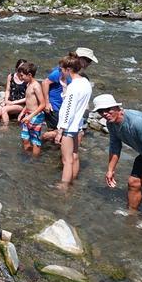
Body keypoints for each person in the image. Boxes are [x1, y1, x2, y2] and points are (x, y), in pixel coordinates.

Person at [95, 94, 142, 212]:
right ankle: (132, 216)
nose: (105, 113)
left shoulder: (136, 122)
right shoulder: (111, 124)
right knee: (133, 182)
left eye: (108, 109)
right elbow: (115, 146)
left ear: (117, 108)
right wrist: (110, 170)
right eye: (100, 111)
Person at [54, 53, 91, 188]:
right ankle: (72, 181)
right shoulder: (85, 82)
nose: (61, 71)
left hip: (68, 127)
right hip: (77, 125)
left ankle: (64, 187)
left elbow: (68, 110)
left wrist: (60, 130)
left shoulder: (74, 87)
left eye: (61, 69)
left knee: (67, 160)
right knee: (74, 155)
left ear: (68, 69)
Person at [16, 62, 45, 158]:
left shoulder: (36, 86)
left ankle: (34, 160)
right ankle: (27, 156)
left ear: (29, 75)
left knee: (35, 140)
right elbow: (28, 102)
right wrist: (22, 112)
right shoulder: (28, 84)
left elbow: (42, 104)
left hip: (35, 116)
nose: (21, 78)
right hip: (28, 114)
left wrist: (30, 116)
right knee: (25, 137)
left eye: (22, 76)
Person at [0, 59, 28, 123]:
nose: (21, 72)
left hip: (21, 104)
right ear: (16, 68)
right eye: (19, 69)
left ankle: (5, 128)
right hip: (10, 100)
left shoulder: (26, 80)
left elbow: (28, 98)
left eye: (23, 69)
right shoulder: (11, 76)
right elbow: (8, 90)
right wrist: (6, 101)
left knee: (4, 109)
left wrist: (13, 103)